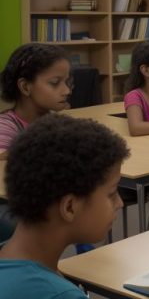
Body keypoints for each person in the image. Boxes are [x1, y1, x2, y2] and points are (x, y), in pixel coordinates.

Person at [0, 114, 130, 299]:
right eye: (111, 193)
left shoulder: (8, 253)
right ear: (70, 207)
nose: (120, 203)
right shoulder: (59, 295)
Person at [0, 44, 72, 158]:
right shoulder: (5, 126)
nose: (67, 91)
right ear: (25, 87)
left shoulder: (55, 121)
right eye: (54, 82)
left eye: (67, 82)